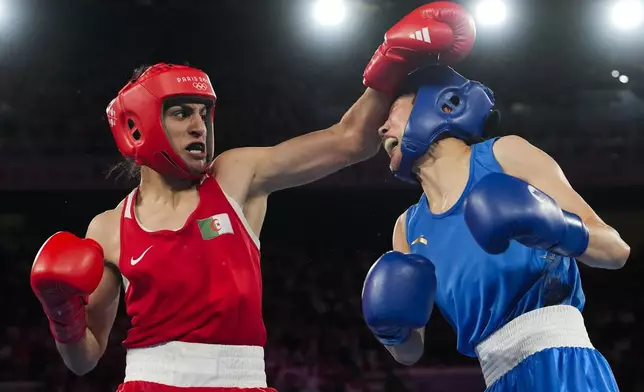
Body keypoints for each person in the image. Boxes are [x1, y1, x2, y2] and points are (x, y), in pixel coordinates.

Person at [29, 2, 476, 391]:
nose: (198, 126)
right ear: (137, 126)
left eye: (204, 113)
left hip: (242, 381)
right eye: (181, 113)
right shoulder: (109, 228)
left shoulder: (234, 177)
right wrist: (62, 315)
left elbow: (349, 141)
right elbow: (84, 358)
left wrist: (391, 62)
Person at [361, 65, 631, 391]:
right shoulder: (407, 227)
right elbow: (409, 352)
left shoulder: (504, 155)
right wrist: (391, 331)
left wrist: (558, 228)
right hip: (497, 380)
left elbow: (616, 250)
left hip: (564, 364)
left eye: (392, 112)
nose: (381, 128)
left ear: (438, 105)